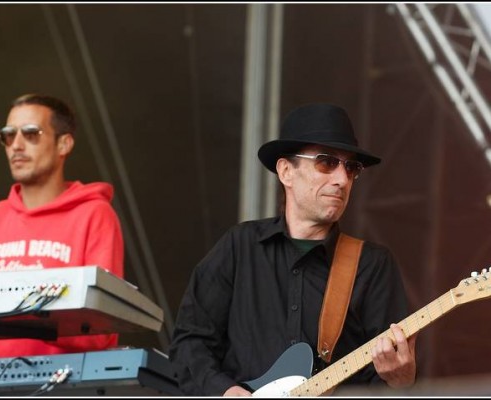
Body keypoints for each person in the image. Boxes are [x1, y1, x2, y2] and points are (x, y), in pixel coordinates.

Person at [169, 103, 417, 396]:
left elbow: (384, 382)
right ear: (286, 171)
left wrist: (400, 379)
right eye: (327, 162)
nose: (341, 179)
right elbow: (190, 343)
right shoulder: (239, 246)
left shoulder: (372, 264)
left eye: (351, 167)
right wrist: (224, 390)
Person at [0, 93, 124, 357]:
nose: (16, 145)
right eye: (9, 136)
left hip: (59, 386)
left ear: (64, 144)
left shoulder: (94, 214)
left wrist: (22, 321)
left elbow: (102, 329)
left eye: (31, 134)